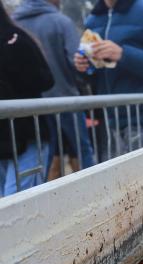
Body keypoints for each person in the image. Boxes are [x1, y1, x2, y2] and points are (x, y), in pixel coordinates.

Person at [73, 0, 143, 148]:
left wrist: (123, 54)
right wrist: (84, 67)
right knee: (112, 171)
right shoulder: (93, 19)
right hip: (108, 121)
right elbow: (97, 73)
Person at [13, 0, 95, 178]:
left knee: (45, 157)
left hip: (30, 107)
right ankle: (98, 192)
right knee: (83, 151)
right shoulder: (61, 22)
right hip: (66, 100)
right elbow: (77, 62)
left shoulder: (14, 21)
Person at [0, 1, 54, 195]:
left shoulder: (15, 39)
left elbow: (45, 80)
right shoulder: (14, 38)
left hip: (25, 136)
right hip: (15, 137)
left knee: (16, 203)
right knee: (14, 205)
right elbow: (45, 80)